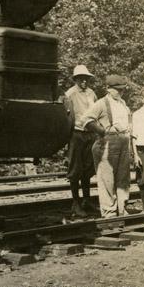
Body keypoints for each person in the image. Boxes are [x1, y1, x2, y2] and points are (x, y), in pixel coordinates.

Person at [80, 74, 132, 218]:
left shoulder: (122, 103)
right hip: (107, 142)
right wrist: (102, 131)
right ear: (109, 89)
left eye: (122, 90)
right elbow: (86, 120)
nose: (121, 92)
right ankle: (109, 211)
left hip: (123, 140)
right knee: (107, 178)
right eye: (118, 90)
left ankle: (122, 208)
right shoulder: (102, 103)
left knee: (123, 178)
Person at [63, 65, 97, 217]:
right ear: (76, 79)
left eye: (86, 78)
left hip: (90, 133)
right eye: (81, 78)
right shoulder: (70, 94)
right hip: (76, 133)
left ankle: (87, 200)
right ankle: (75, 203)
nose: (84, 81)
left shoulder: (91, 93)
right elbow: (66, 116)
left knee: (88, 168)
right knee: (76, 169)